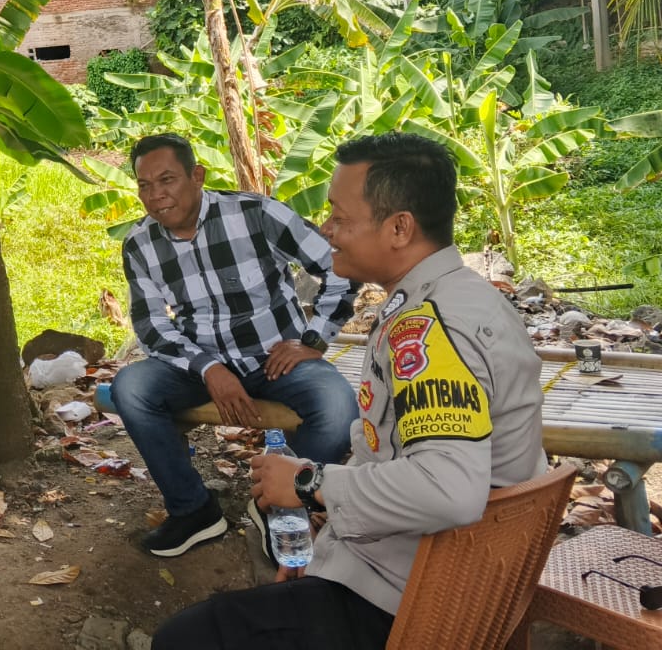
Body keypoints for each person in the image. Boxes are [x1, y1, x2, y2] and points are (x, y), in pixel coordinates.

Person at [150, 132, 546, 648]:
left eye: (340, 216)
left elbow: (448, 490)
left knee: (185, 639)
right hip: (419, 572)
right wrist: (331, 543)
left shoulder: (430, 329)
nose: (326, 229)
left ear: (399, 228)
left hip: (412, 601)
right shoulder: (455, 298)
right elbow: (401, 461)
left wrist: (309, 482)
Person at [111, 132, 360, 557]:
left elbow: (341, 266)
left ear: (197, 176)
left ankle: (277, 504)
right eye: (144, 185)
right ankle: (194, 511)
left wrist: (314, 339)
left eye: (167, 180)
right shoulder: (140, 243)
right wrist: (209, 369)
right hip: (197, 364)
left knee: (338, 408)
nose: (155, 196)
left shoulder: (256, 214)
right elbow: (151, 326)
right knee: (130, 388)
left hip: (277, 359)